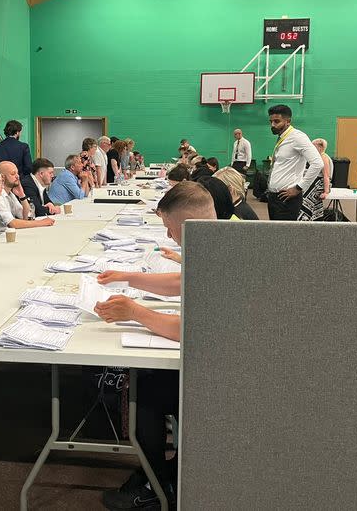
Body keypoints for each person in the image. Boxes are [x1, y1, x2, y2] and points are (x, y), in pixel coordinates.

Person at [94, 181, 216, 510]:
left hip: (223, 379)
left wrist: (134, 311)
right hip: (226, 363)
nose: (168, 237)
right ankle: (160, 474)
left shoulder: (217, 255)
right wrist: (128, 277)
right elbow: (181, 281)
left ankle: (159, 486)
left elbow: (185, 329)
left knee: (143, 394)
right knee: (148, 382)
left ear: (184, 223)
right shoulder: (217, 240)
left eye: (168, 227)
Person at [265, 104, 323, 221]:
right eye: (271, 121)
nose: (272, 125)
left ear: (288, 121)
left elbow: (318, 163)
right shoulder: (282, 137)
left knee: (285, 236)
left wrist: (298, 188)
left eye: (277, 121)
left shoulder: (298, 137)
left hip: (287, 199)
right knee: (274, 234)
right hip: (274, 197)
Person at [0, 161, 54, 230]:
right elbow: (13, 223)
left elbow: (27, 217)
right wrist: (42, 222)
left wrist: (22, 196)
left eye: (17, 173)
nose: (17, 176)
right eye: (13, 174)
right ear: (2, 177)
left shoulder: (10, 194)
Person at [298, 138, 333, 221]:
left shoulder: (324, 158)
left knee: (304, 199)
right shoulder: (318, 157)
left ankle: (304, 217)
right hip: (316, 183)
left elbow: (326, 176)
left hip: (320, 184)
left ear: (320, 148)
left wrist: (326, 192)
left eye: (313, 146)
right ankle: (314, 218)